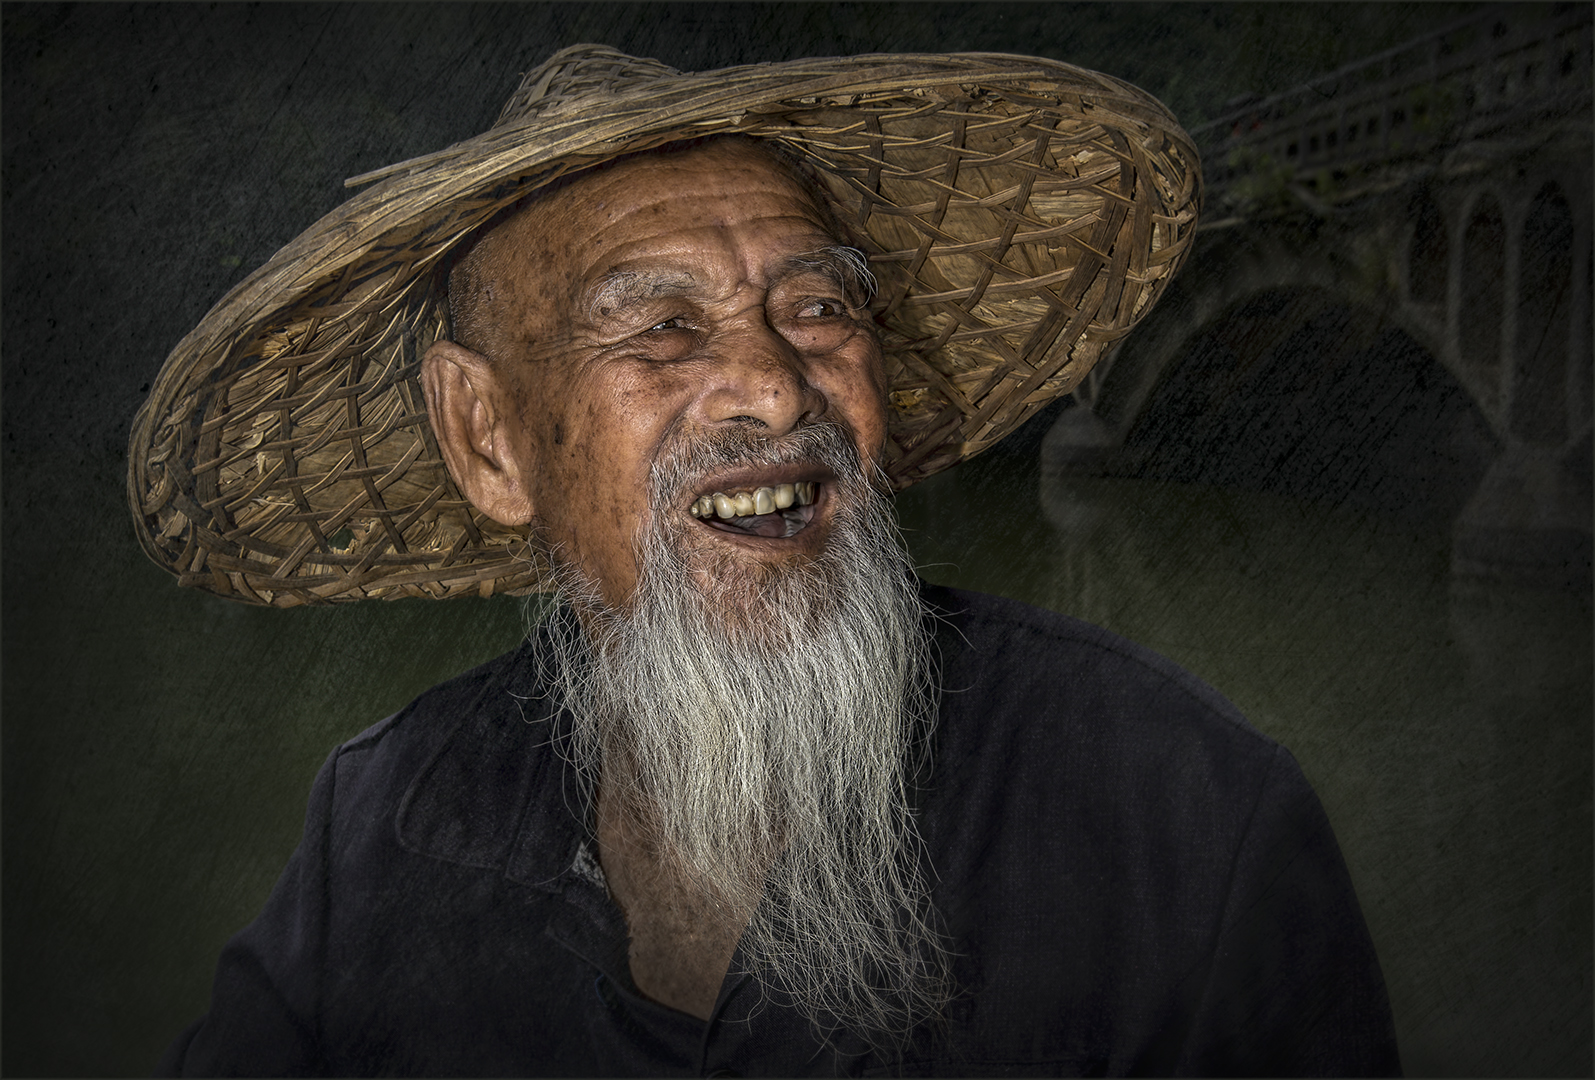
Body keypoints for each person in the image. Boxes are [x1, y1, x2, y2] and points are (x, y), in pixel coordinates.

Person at [132, 46, 1400, 1077]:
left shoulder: (1180, 815)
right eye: (661, 327)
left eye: (816, 309)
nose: (770, 384)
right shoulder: (387, 821)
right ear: (486, 436)